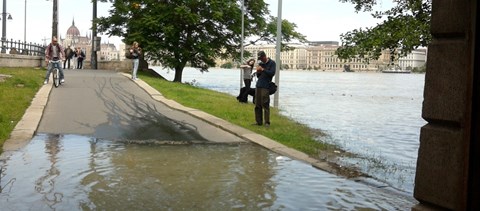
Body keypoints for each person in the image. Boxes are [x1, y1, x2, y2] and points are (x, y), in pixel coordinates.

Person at [253, 51, 276, 127]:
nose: (261, 60)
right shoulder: (260, 64)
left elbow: (272, 73)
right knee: (257, 104)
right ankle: (258, 121)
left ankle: (267, 122)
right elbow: (259, 76)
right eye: (259, 59)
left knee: (265, 104)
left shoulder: (272, 63)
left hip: (266, 86)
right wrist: (258, 71)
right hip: (258, 85)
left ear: (264, 56)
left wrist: (263, 70)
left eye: (261, 58)